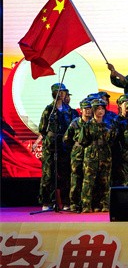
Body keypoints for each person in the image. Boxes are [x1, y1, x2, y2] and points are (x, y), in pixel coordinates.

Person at [38, 82, 77, 210]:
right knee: (49, 174)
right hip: (51, 146)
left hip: (64, 145)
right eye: (58, 91)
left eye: (63, 92)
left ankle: (66, 202)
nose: (61, 94)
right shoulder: (49, 109)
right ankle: (47, 202)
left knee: (65, 173)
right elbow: (42, 128)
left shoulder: (69, 111)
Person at [80, 98, 116, 213]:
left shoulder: (109, 125)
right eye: (98, 109)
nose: (100, 111)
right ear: (93, 110)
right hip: (91, 156)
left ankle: (105, 204)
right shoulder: (87, 125)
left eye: (102, 109)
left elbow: (113, 140)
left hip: (105, 155)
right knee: (89, 182)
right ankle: (86, 205)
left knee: (105, 181)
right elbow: (82, 141)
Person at [63, 99, 93, 212]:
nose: (88, 111)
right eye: (86, 109)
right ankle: (74, 203)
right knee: (76, 178)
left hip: (91, 153)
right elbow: (66, 139)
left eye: (90, 109)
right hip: (78, 153)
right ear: (81, 110)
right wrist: (76, 147)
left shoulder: (94, 123)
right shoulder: (75, 123)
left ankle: (87, 203)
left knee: (89, 178)